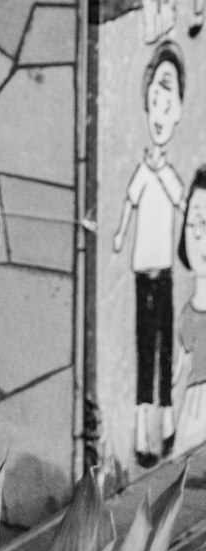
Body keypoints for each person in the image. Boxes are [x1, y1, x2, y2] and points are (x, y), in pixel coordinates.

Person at [112, 40, 186, 466]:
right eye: (153, 100)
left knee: (163, 351)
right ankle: (142, 435)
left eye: (167, 99)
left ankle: (169, 424)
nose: (159, 112)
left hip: (166, 274)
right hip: (143, 276)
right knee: (145, 350)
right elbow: (127, 206)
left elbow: (183, 202)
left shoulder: (167, 174)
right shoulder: (142, 171)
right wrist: (120, 236)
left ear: (179, 110)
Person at [174, 165, 206, 454]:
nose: (199, 235)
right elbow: (182, 364)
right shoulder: (187, 314)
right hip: (196, 402)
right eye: (194, 223)